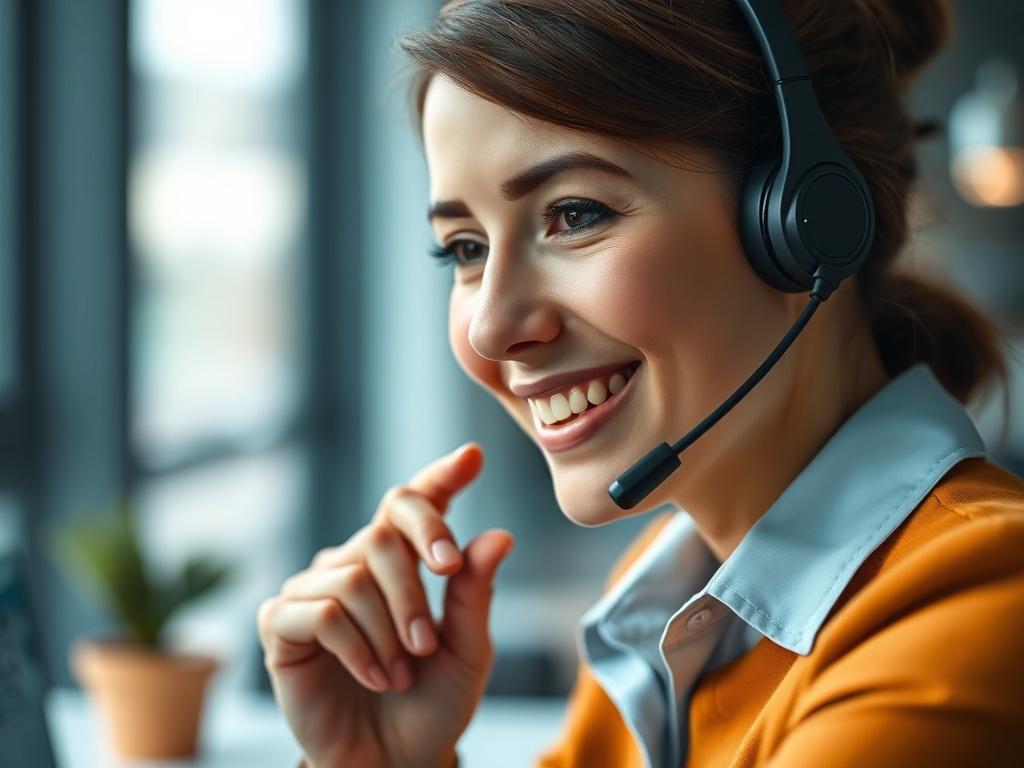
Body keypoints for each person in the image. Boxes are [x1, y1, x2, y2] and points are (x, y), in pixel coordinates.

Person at [256, 1, 1024, 766]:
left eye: (575, 213)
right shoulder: (672, 604)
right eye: (463, 248)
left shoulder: (976, 605)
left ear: (802, 221)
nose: (490, 329)